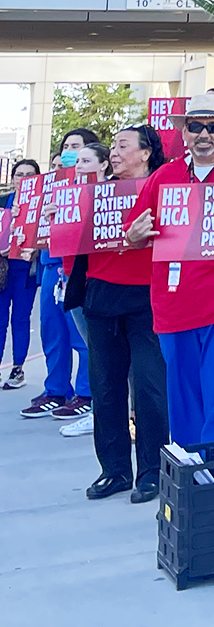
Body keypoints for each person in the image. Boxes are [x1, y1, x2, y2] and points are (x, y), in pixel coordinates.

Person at [124, 94, 214, 463]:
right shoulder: (163, 177)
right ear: (184, 132)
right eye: (196, 126)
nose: (204, 134)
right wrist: (134, 234)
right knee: (185, 407)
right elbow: (134, 230)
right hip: (176, 307)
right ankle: (196, 484)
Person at [82, 125, 171, 502]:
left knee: (149, 388)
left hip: (147, 297)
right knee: (104, 389)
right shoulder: (92, 194)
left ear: (146, 152)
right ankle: (114, 469)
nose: (114, 153)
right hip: (101, 295)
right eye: (113, 147)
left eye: (122, 146)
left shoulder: (166, 191)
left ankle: (151, 470)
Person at [19, 128, 97, 421]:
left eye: (75, 147)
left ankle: (87, 393)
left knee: (81, 335)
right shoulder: (51, 188)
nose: (68, 152)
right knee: (53, 332)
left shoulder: (94, 187)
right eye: (65, 146)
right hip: (51, 266)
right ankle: (56, 390)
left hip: (77, 267)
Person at [55, 141, 114, 438]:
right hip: (72, 277)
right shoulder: (66, 195)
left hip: (99, 280)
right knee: (93, 349)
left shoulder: (114, 195)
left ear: (104, 164)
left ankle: (109, 411)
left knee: (106, 352)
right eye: (77, 161)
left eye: (86, 160)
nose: (79, 166)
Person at [0, 159, 41, 391]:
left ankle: (18, 368)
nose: (23, 178)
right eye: (19, 174)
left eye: (29, 174)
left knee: (21, 318)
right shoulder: (4, 201)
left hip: (25, 268)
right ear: (13, 178)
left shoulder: (42, 203)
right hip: (3, 268)